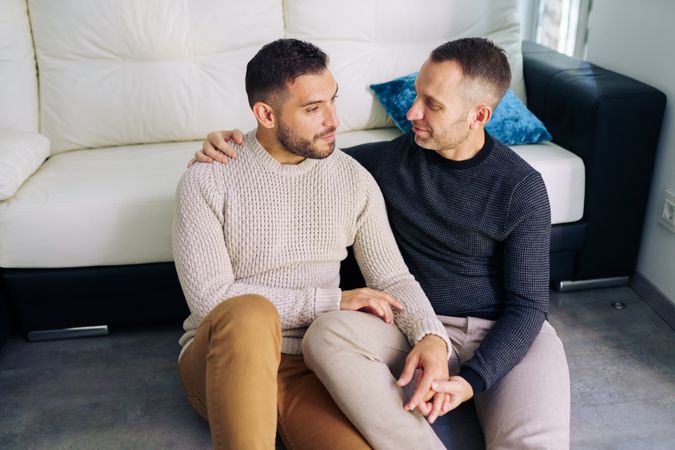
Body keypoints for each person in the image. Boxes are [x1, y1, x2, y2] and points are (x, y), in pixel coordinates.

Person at [194, 37, 571, 449]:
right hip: (401, 331)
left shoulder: (521, 187)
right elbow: (297, 154)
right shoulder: (376, 166)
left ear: (478, 115)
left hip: (500, 331)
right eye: (417, 96)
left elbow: (529, 307)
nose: (412, 113)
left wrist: (470, 378)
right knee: (328, 332)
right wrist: (233, 145)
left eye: (433, 104)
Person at [173, 38, 453, 450]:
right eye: (312, 109)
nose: (333, 120)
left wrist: (431, 335)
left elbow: (392, 276)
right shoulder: (208, 178)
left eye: (332, 101)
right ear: (265, 114)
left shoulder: (353, 179)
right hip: (225, 358)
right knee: (251, 314)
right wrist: (329, 302)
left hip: (309, 366)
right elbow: (211, 301)